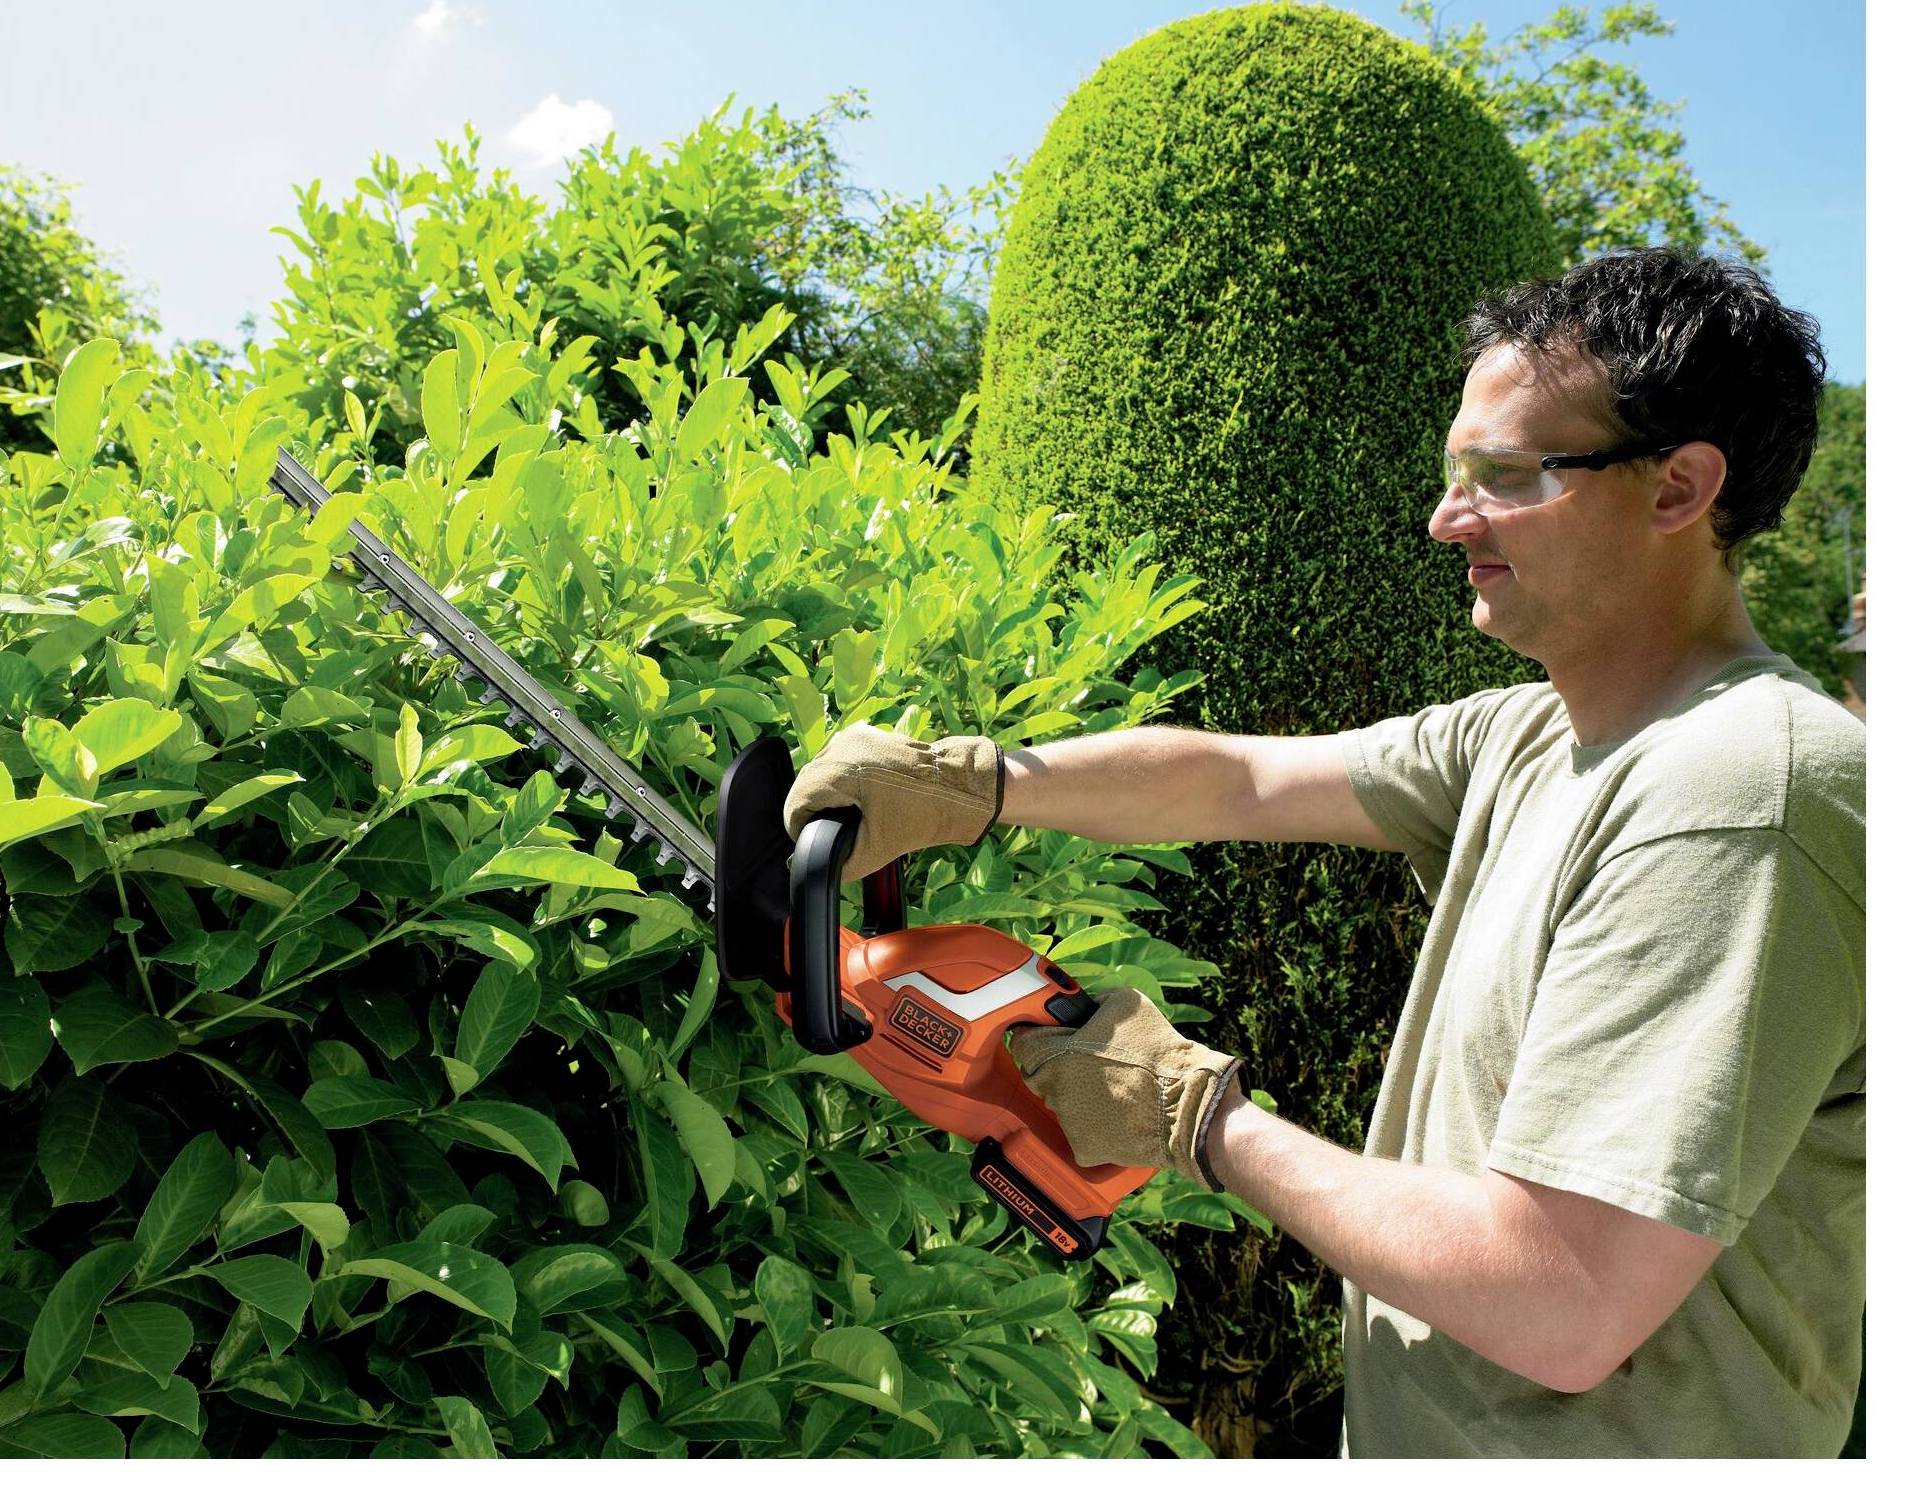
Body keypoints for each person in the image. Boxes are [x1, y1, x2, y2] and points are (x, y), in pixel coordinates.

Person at [783, 248, 1865, 1458]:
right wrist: (974, 780)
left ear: (1678, 489)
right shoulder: (1531, 732)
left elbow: (1565, 1296)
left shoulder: (1736, 797)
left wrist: (1194, 1116)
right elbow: (1237, 776)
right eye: (1458, 472)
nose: (1447, 519)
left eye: (1503, 476)